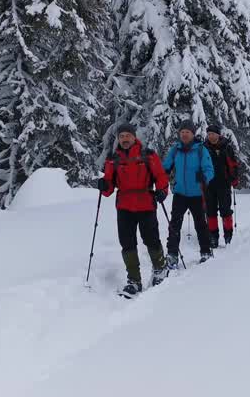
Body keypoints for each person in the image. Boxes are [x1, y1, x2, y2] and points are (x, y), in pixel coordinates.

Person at [98, 124, 169, 297]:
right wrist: (103, 185)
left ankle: (160, 268)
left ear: (134, 137)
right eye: (121, 136)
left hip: (146, 203)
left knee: (151, 238)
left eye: (127, 135)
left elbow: (161, 176)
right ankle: (134, 280)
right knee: (127, 243)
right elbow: (108, 189)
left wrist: (162, 191)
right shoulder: (113, 159)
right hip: (124, 207)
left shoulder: (148, 155)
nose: (124, 139)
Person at [162, 120, 215, 267]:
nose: (184, 134)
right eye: (182, 132)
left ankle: (205, 251)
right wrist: (160, 176)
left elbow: (209, 169)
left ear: (193, 134)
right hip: (179, 193)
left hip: (197, 194)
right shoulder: (176, 149)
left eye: (188, 132)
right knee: (174, 225)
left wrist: (204, 177)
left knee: (200, 224)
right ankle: (172, 254)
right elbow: (166, 166)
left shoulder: (200, 150)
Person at [203, 124, 240, 248]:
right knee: (210, 211)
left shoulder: (226, 147)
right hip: (209, 185)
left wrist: (234, 178)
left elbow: (233, 164)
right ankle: (213, 237)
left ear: (218, 134)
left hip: (224, 184)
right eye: (209, 134)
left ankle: (228, 235)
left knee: (225, 210)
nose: (211, 136)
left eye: (213, 134)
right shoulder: (204, 148)